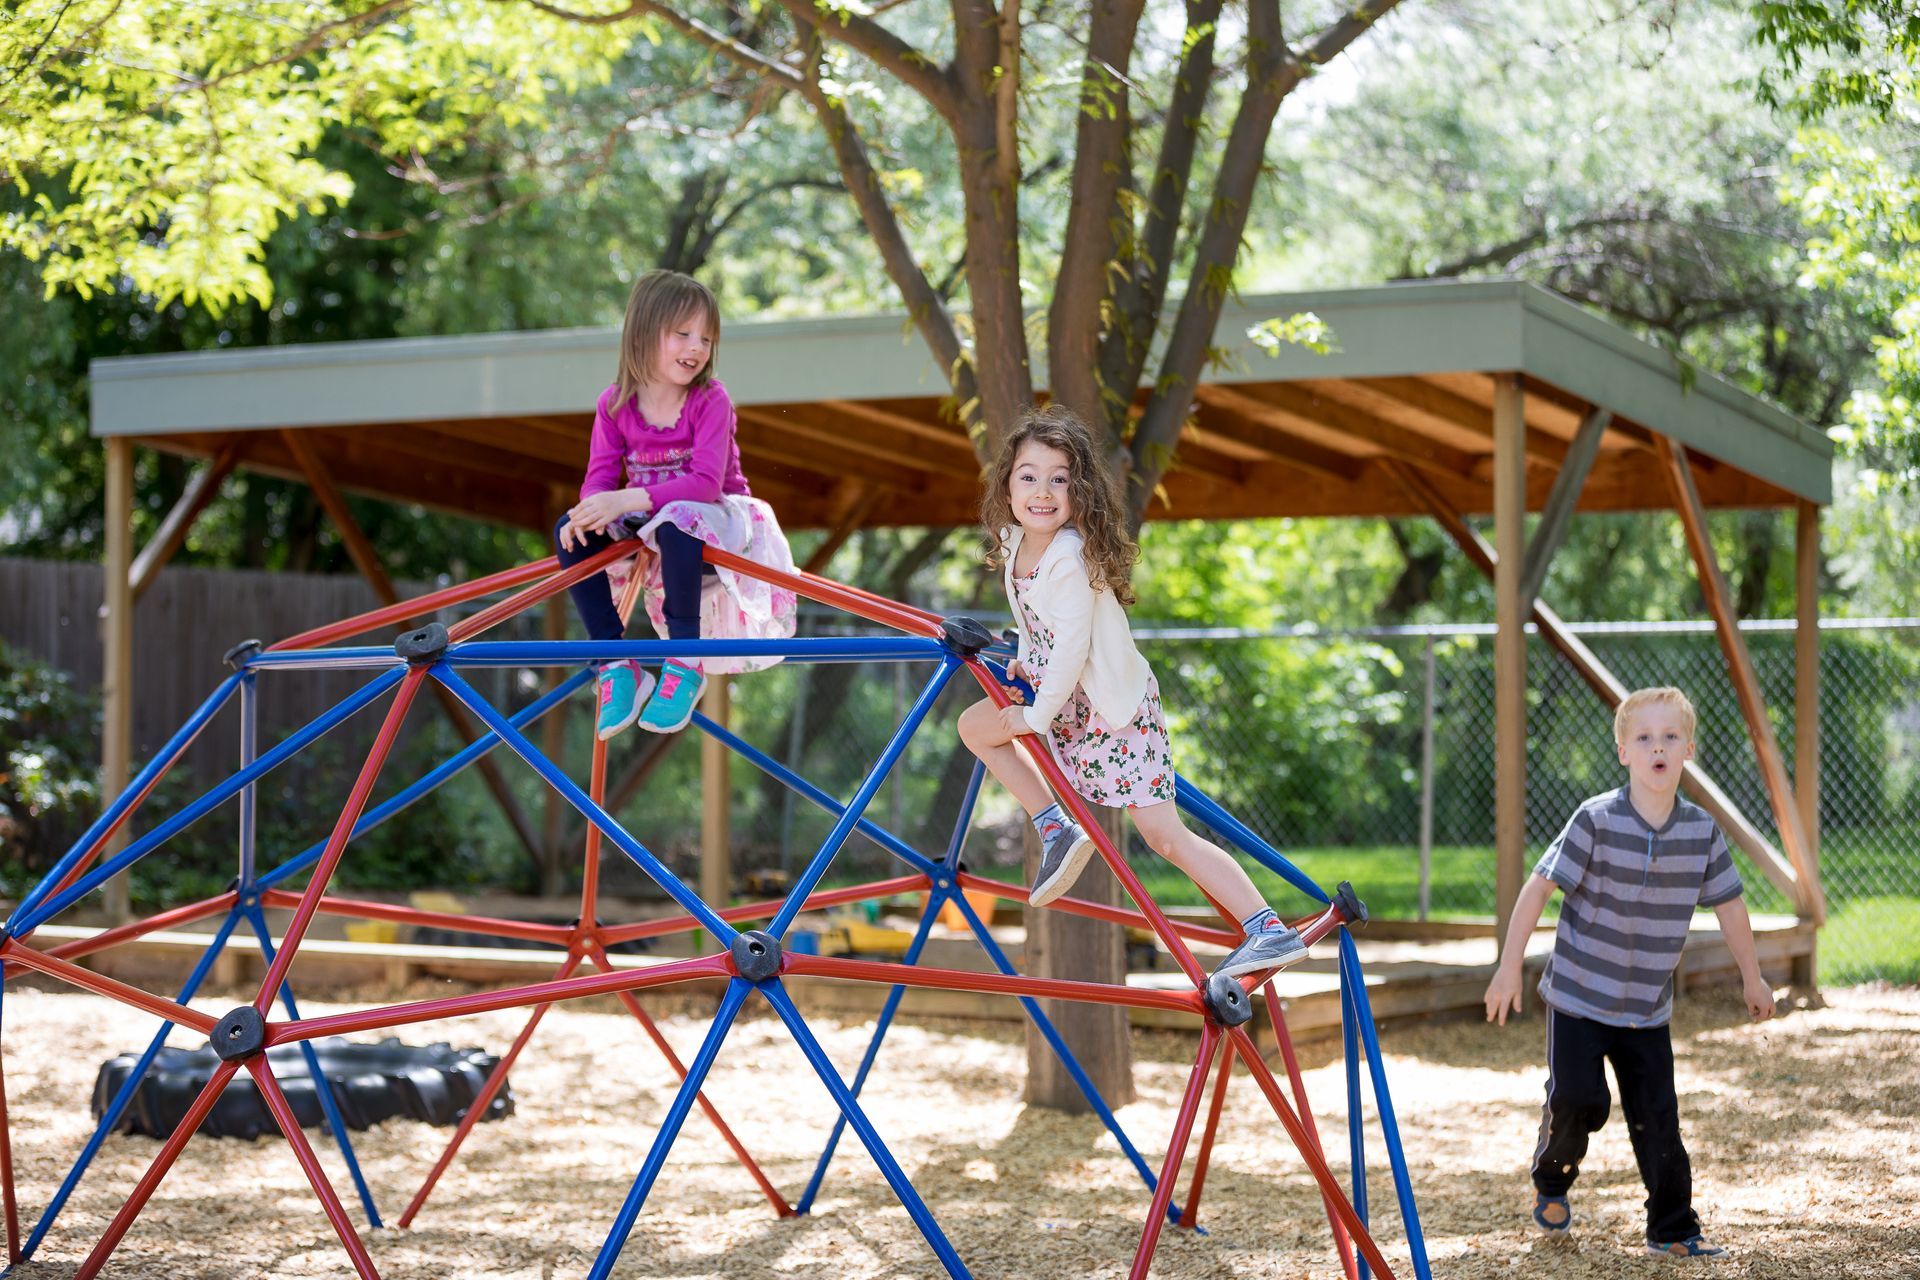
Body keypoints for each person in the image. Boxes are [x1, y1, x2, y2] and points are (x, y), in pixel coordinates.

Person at [956, 404, 1309, 981]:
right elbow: (1043, 624)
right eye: (1029, 476)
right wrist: (1024, 658)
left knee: (1165, 836)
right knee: (975, 727)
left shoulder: (1070, 555)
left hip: (1111, 710)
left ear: (1080, 490)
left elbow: (1074, 645)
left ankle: (1267, 927)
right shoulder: (1017, 542)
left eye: (1059, 479)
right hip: (1063, 695)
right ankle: (1054, 825)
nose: (1042, 491)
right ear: (1007, 485)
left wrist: (1036, 715)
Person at [1482, 686, 1776, 1259]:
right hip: (1578, 998)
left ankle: (1672, 1230)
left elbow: (1731, 906)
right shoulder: (1595, 819)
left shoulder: (1701, 833)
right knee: (1578, 1101)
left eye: (1669, 737)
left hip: (1646, 1009)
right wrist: (1507, 968)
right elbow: (1538, 887)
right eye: (1643, 738)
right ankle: (1551, 1178)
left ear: (1688, 748)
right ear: (1623, 752)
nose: (1657, 747)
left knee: (1659, 1120)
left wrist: (1753, 976)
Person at [556, 269, 796, 740]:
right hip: (650, 522)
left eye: (706, 338)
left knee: (677, 520)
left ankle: (685, 661)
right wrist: (591, 512)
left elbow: (705, 483)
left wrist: (626, 498)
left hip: (717, 521)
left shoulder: (710, 399)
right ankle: (615, 662)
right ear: (644, 333)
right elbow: (599, 481)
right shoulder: (614, 404)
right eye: (682, 334)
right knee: (571, 528)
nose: (696, 347)